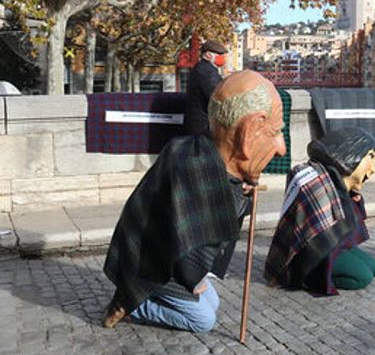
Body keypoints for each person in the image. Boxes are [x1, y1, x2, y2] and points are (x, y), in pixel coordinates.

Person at [102, 70, 286, 332]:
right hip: (152, 265)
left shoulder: (197, 150)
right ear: (250, 131)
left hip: (165, 261)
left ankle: (150, 295)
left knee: (213, 301)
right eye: (275, 131)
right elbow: (189, 245)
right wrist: (192, 278)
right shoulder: (200, 172)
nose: (281, 148)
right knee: (204, 320)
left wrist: (242, 194)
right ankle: (136, 304)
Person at [265, 128, 375, 295]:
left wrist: (350, 198)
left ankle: (334, 263)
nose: (373, 169)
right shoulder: (314, 180)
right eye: (370, 158)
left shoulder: (335, 179)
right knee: (362, 277)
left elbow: (346, 217)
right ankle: (311, 277)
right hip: (315, 253)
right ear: (349, 154)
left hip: (335, 245)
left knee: (373, 267)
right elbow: (316, 227)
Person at [184, 39, 228, 137]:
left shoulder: (202, 68)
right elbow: (219, 96)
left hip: (198, 126)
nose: (222, 58)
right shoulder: (207, 72)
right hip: (204, 128)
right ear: (208, 55)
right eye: (219, 54)